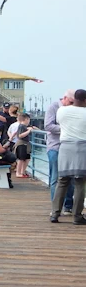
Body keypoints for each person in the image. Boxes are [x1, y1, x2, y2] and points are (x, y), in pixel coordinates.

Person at [50, 89, 86, 225]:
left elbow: (59, 123)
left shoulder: (62, 111)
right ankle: (77, 216)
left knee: (62, 181)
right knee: (80, 183)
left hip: (65, 147)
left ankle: (55, 214)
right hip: (82, 147)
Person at [45, 90, 75, 215]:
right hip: (55, 146)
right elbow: (48, 126)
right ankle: (55, 207)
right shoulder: (54, 107)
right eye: (71, 102)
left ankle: (68, 205)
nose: (73, 104)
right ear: (65, 98)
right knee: (55, 178)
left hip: (71, 147)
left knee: (72, 178)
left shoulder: (74, 109)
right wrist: (66, 129)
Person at [14, 113, 37, 178]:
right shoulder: (21, 126)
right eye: (29, 119)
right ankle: (18, 173)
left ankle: (23, 172)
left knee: (27, 159)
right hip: (21, 143)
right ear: (26, 119)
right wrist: (29, 131)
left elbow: (32, 127)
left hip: (26, 144)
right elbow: (20, 135)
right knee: (21, 159)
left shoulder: (25, 126)